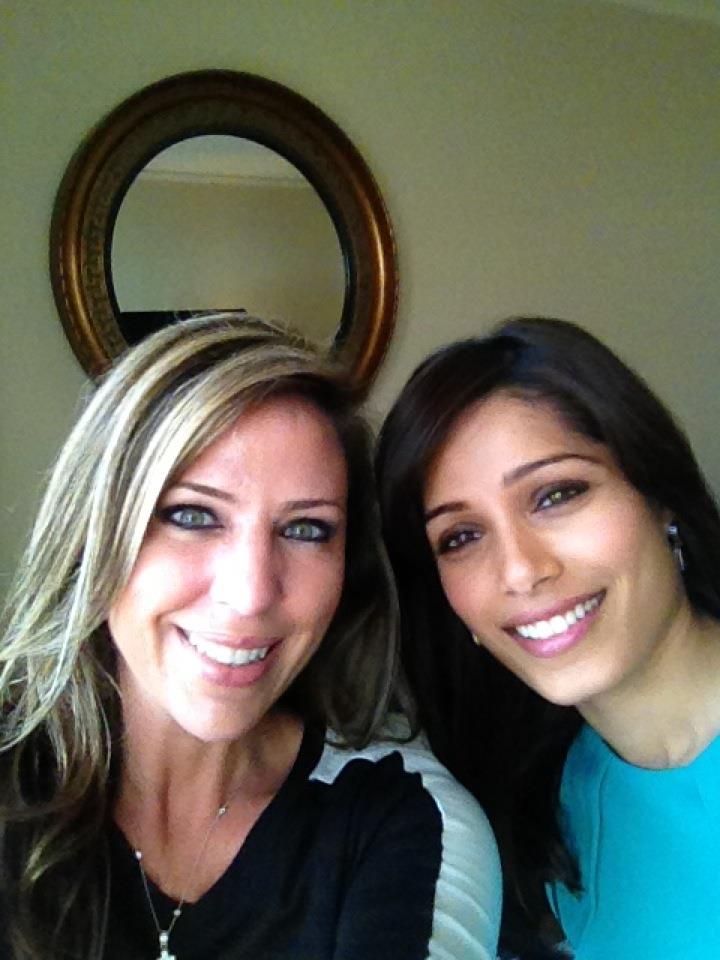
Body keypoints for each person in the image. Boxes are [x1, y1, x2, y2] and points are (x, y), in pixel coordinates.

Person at [0, 314, 501, 960]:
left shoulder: (399, 815)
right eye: (192, 516)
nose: (252, 593)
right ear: (95, 532)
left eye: (306, 530)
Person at [376, 316, 720, 960]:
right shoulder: (542, 802)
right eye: (460, 537)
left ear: (659, 497)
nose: (520, 570)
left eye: (557, 494)